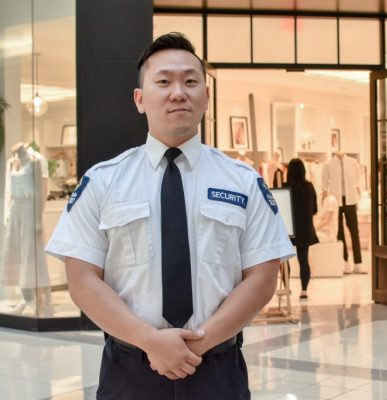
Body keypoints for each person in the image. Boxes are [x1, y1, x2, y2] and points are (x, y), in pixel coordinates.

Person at [45, 32, 294, 400]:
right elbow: (82, 278)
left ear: (206, 97)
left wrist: (197, 343)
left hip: (216, 368)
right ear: (140, 99)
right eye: (164, 81)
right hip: (129, 370)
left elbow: (262, 276)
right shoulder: (102, 182)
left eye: (191, 81)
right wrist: (150, 340)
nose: (178, 92)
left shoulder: (243, 182)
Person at [2, 142, 53, 317]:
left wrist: (38, 219)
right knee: (16, 254)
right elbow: (8, 191)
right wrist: (7, 214)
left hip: (30, 208)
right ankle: (26, 298)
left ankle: (43, 301)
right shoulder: (11, 163)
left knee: (32, 254)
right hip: (16, 209)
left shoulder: (34, 162)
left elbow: (40, 191)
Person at [322, 152, 366, 274]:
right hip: (336, 201)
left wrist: (359, 197)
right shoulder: (329, 164)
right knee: (339, 232)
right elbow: (324, 183)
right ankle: (345, 261)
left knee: (354, 231)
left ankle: (358, 263)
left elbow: (358, 181)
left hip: (351, 200)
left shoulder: (353, 163)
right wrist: (324, 201)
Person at [284, 158, 319, 299]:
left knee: (284, 260)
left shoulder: (285, 187)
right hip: (305, 228)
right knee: (303, 261)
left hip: (287, 230)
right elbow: (315, 209)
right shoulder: (309, 187)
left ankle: (286, 286)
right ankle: (304, 290)